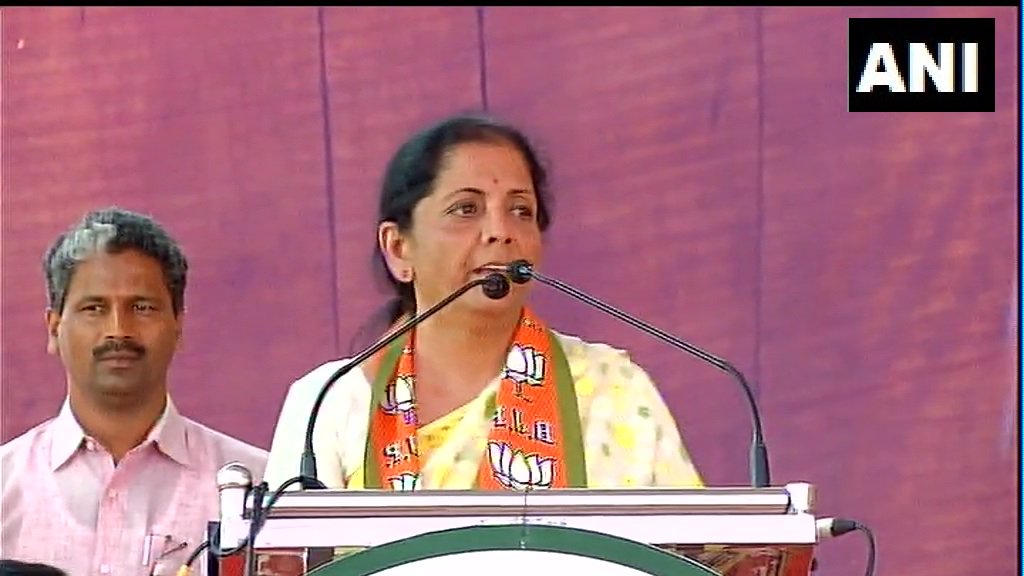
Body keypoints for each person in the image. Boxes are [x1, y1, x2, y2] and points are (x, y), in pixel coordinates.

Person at [263, 113, 704, 492]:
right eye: (466, 209)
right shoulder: (328, 403)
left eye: (520, 210)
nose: (499, 231)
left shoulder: (614, 390)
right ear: (399, 249)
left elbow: (686, 558)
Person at [0, 208, 268, 576]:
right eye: (94, 308)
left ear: (179, 325)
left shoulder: (258, 488)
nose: (118, 331)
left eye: (141, 307)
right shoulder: (5, 487)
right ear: (53, 328)